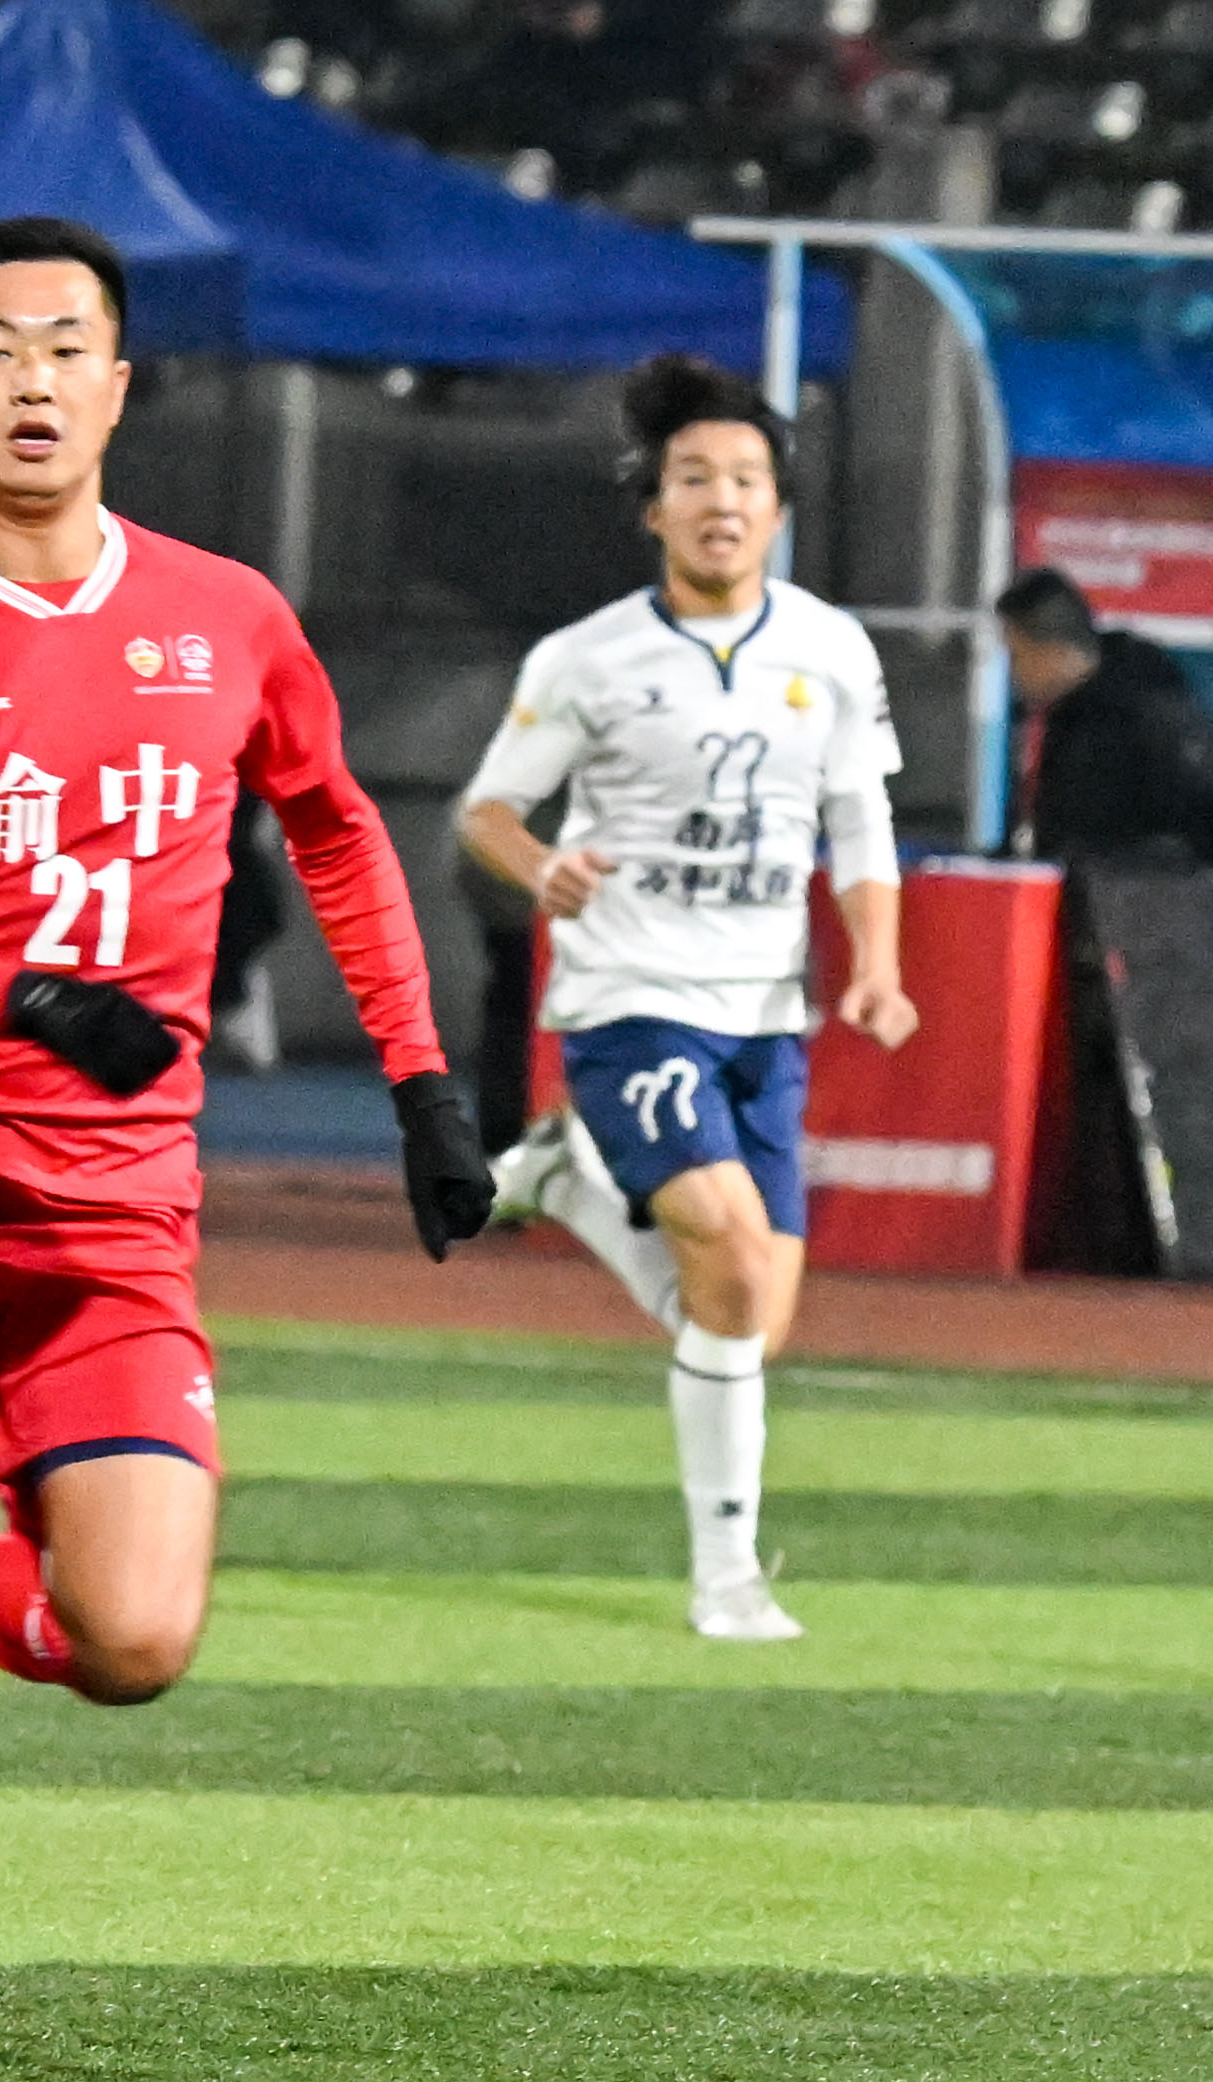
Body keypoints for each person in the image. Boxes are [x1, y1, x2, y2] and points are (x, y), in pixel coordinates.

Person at [0, 217, 490, 2082]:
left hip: (109, 1220)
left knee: (132, 1640)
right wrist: (17, 996)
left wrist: (420, 1080)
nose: (32, 379)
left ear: (119, 383)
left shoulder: (224, 617)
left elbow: (334, 825)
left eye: (65, 345)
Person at [461, 353, 916, 1647]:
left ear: (777, 506)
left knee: (745, 1321)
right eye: (695, 479)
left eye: (745, 479)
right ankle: (726, 1579)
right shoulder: (588, 658)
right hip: (631, 994)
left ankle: (566, 1185)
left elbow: (858, 819)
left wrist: (876, 964)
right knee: (723, 1246)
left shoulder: (829, 650)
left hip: (762, 1013)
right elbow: (487, 809)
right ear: (652, 506)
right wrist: (540, 867)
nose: (722, 500)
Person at [994, 567, 1213, 870]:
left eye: (1017, 656)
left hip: (1142, 891)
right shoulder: (1062, 716)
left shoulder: (1148, 711)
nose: (1013, 673)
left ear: (1054, 651)